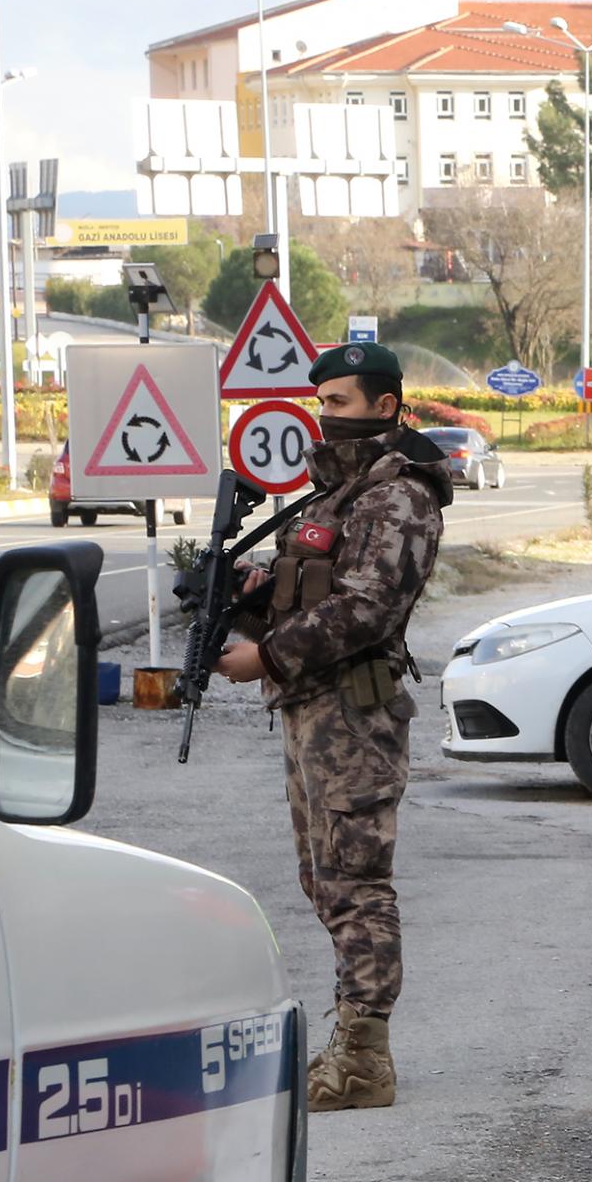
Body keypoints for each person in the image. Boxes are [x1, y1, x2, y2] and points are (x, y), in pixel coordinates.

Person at [217, 340, 451, 1112]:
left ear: (386, 406)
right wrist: (253, 588)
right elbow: (318, 585)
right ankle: (351, 1037)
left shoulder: (398, 496)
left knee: (356, 883)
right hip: (312, 707)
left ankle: (363, 1057)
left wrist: (267, 657)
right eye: (323, 403)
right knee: (323, 879)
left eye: (343, 403)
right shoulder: (339, 493)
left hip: (353, 710)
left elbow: (364, 608)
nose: (328, 417)